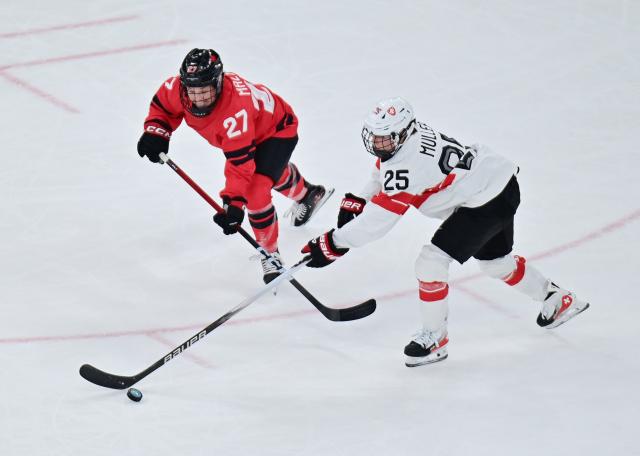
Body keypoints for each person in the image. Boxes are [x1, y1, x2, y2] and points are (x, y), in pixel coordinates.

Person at [301, 97, 590, 367]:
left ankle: (435, 338)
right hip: (497, 183)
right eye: (375, 135)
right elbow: (384, 169)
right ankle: (556, 298)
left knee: (430, 263)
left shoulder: (408, 165)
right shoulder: (406, 140)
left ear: (402, 133)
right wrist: (361, 199)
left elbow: (378, 223)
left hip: (485, 202)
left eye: (385, 137)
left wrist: (332, 244)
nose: (378, 143)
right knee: (495, 263)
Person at [137, 48, 333, 283]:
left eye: (205, 92)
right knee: (270, 173)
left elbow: (240, 165)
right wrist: (157, 131)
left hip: (278, 130)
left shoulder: (235, 111)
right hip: (254, 130)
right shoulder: (177, 89)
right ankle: (309, 194)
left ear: (218, 83)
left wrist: (234, 203)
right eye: (193, 91)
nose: (198, 99)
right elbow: (163, 108)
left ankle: (270, 254)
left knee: (255, 190)